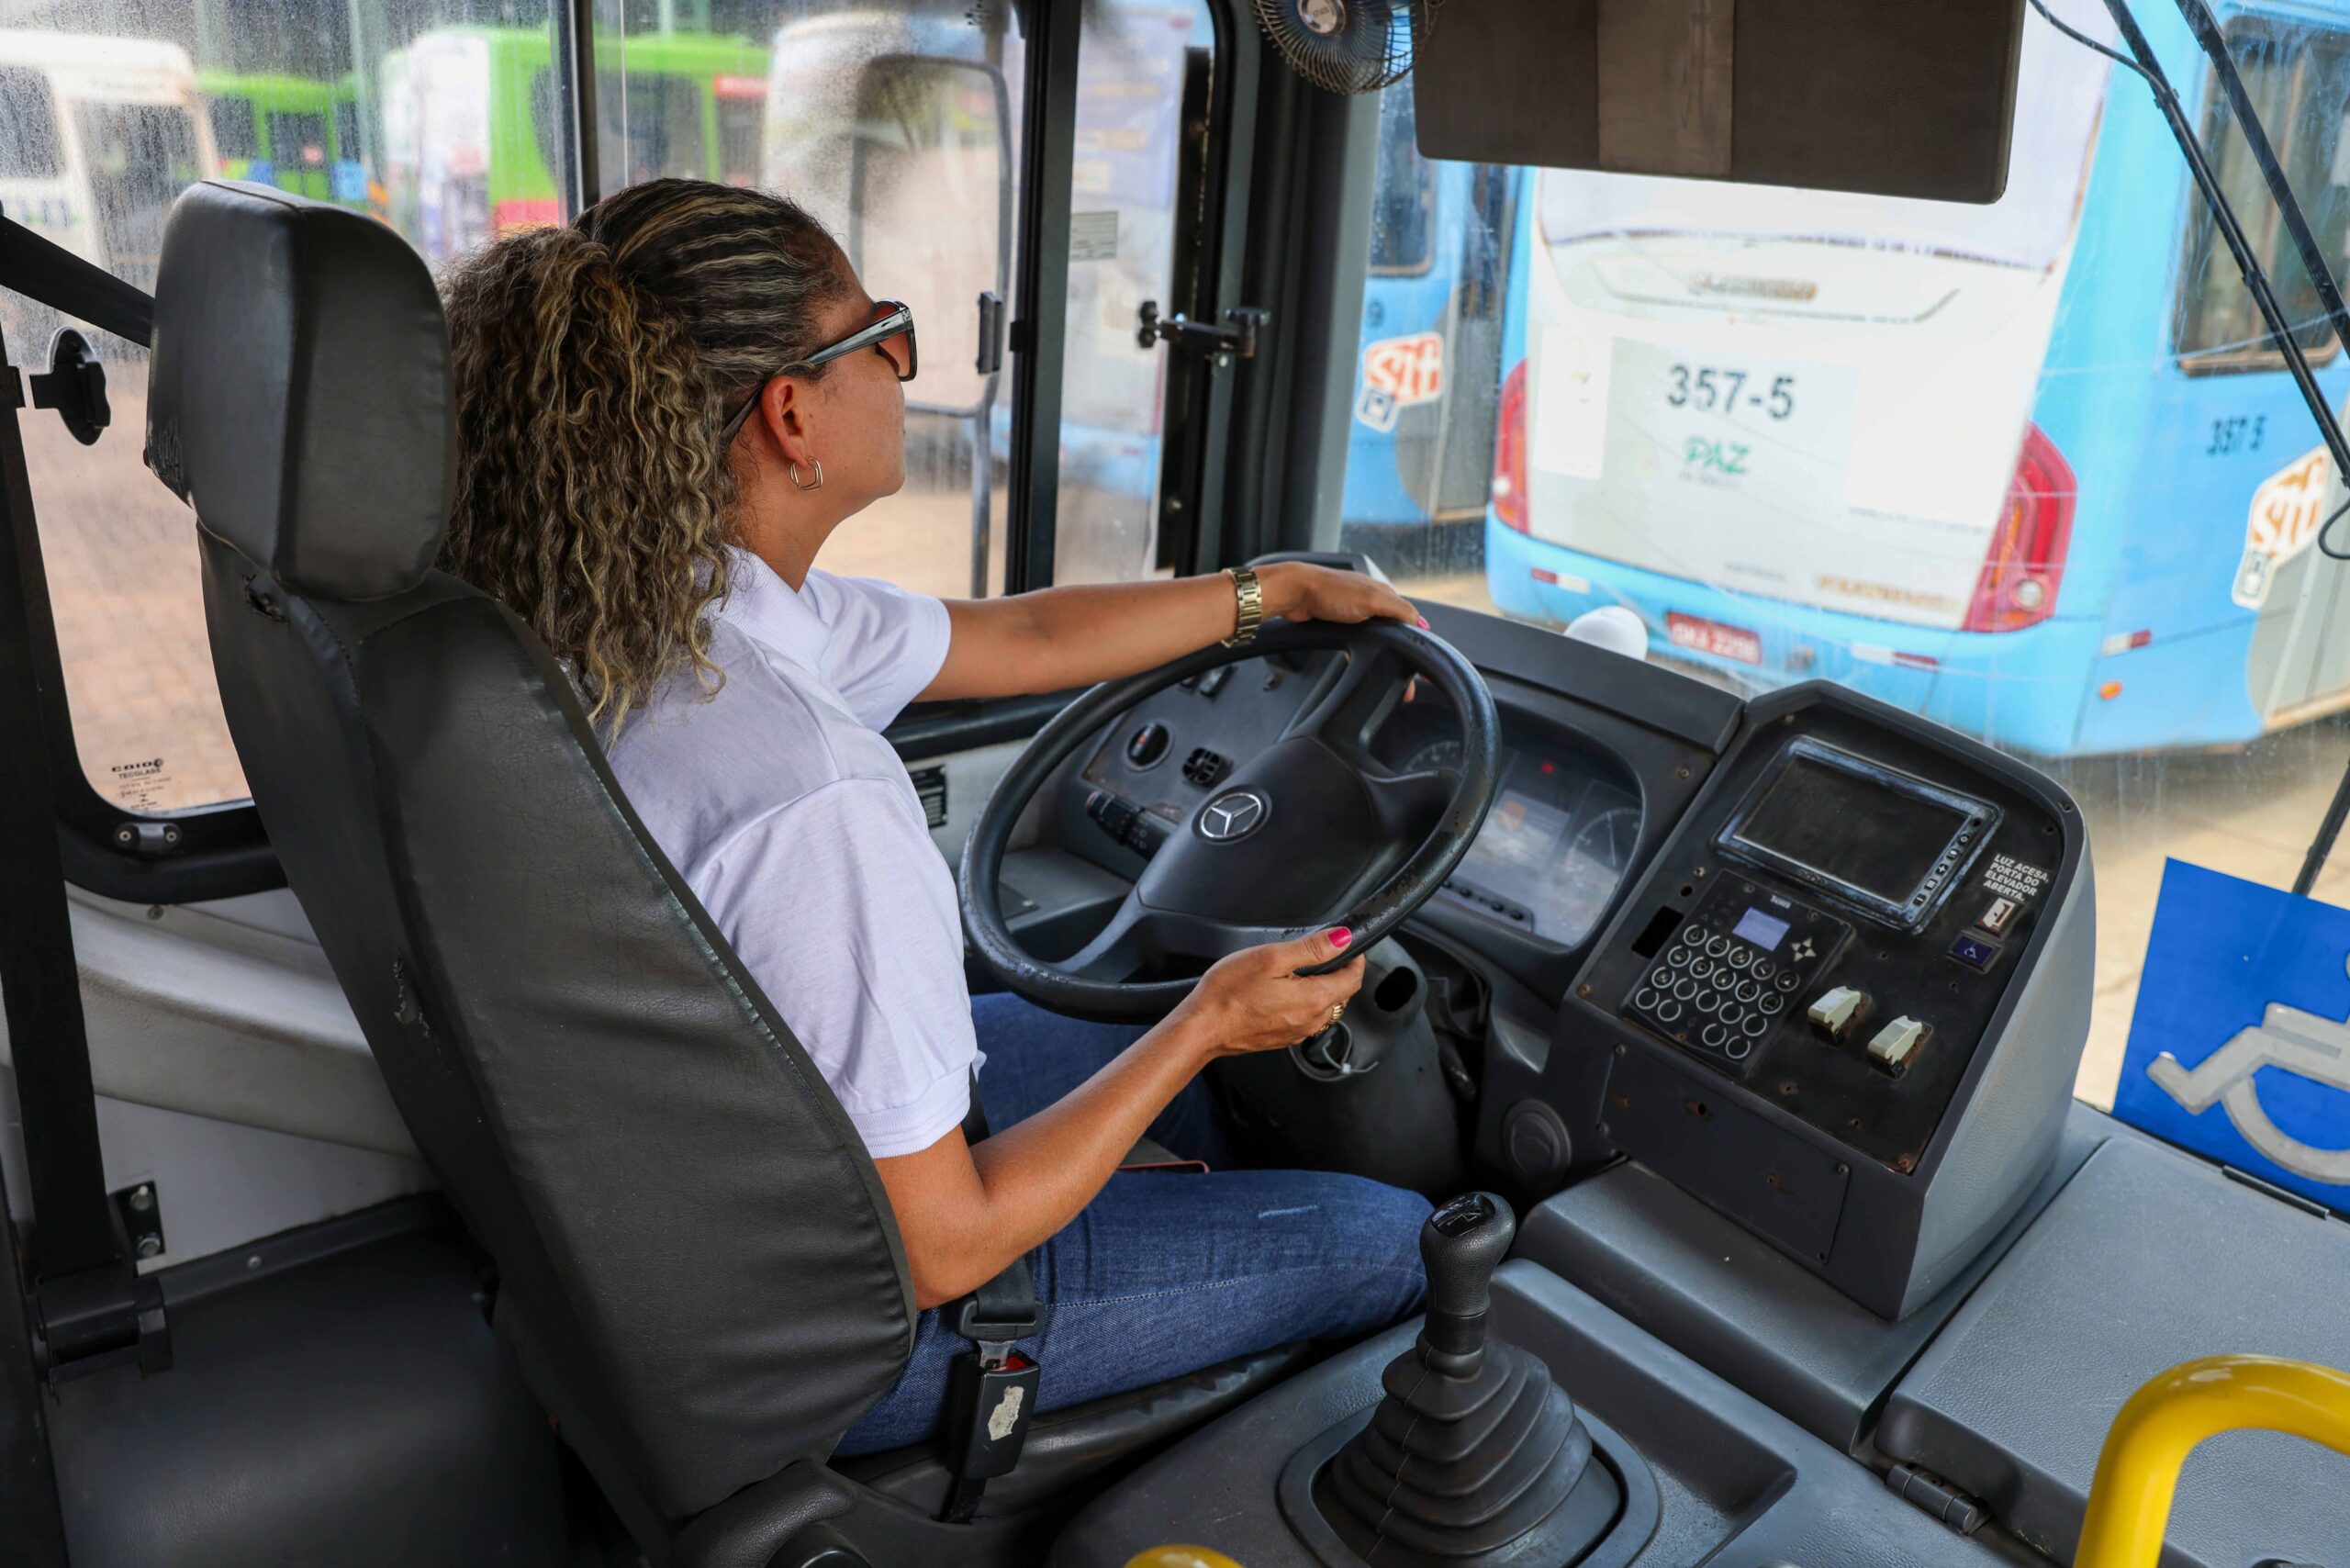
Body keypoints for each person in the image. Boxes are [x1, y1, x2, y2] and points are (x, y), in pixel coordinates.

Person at [436, 178, 1435, 1453]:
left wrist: (1270, 595)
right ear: (791, 413)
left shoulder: (657, 615)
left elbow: (1019, 634)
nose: (908, 368)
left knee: (1156, 1080)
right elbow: (941, 1251)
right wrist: (1207, 1021)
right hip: (824, 1339)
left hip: (678, 1189)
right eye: (886, 336)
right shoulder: (812, 792)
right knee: (1401, 1245)